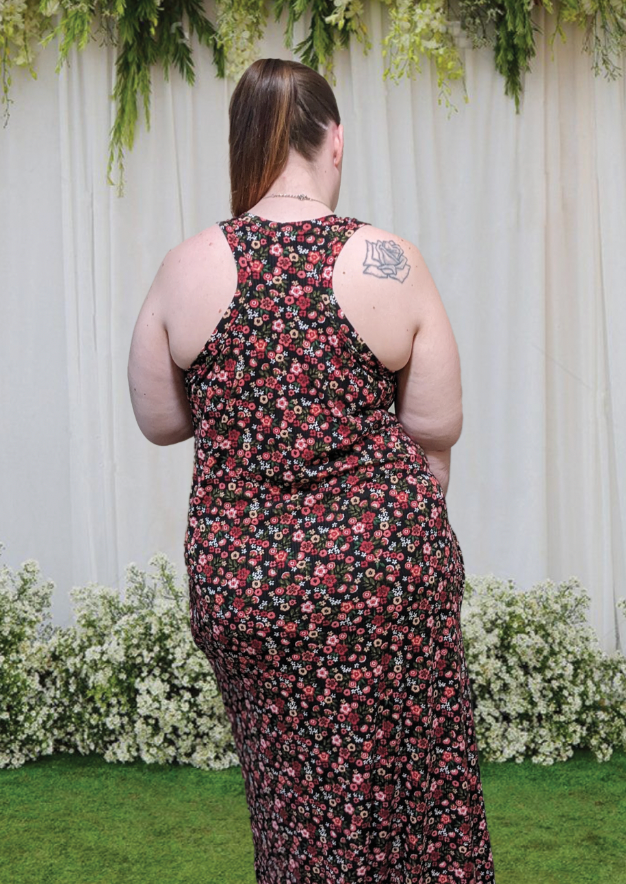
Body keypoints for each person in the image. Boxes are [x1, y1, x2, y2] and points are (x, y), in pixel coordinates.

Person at [128, 57, 495, 884]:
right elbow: (435, 427)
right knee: (414, 799)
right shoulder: (388, 260)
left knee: (292, 802)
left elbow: (161, 421)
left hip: (247, 588)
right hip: (383, 580)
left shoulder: (186, 266)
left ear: (242, 144)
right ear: (336, 141)